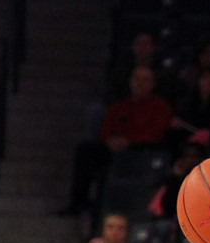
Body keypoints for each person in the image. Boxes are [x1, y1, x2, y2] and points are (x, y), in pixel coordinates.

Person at [65, 65, 173, 218]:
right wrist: (110, 141)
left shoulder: (160, 107)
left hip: (141, 151)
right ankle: (79, 203)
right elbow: (105, 131)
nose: (140, 83)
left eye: (145, 80)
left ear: (152, 84)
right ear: (130, 82)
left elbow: (156, 135)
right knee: (86, 150)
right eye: (137, 79)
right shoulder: (118, 106)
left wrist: (129, 141)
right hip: (114, 150)